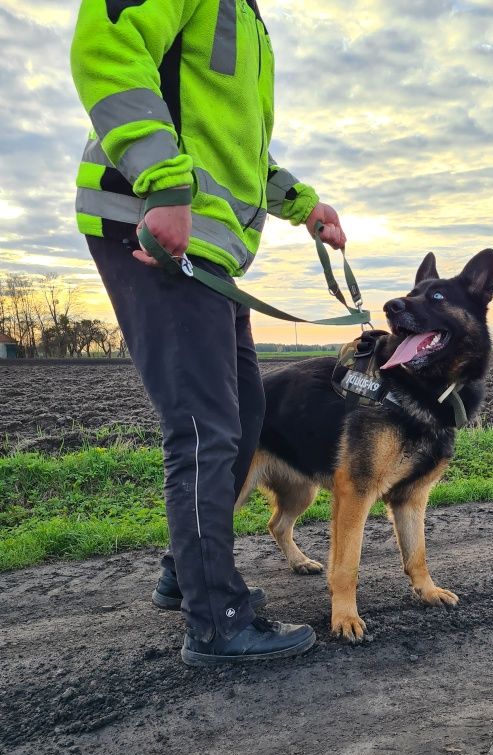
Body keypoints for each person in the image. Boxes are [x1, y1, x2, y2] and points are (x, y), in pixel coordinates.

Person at [70, 0, 346, 666]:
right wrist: (162, 183)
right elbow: (105, 47)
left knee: (246, 416)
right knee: (204, 426)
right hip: (150, 225)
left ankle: (183, 574)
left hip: (210, 254)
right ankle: (216, 618)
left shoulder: (247, 19)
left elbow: (236, 147)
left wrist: (306, 206)